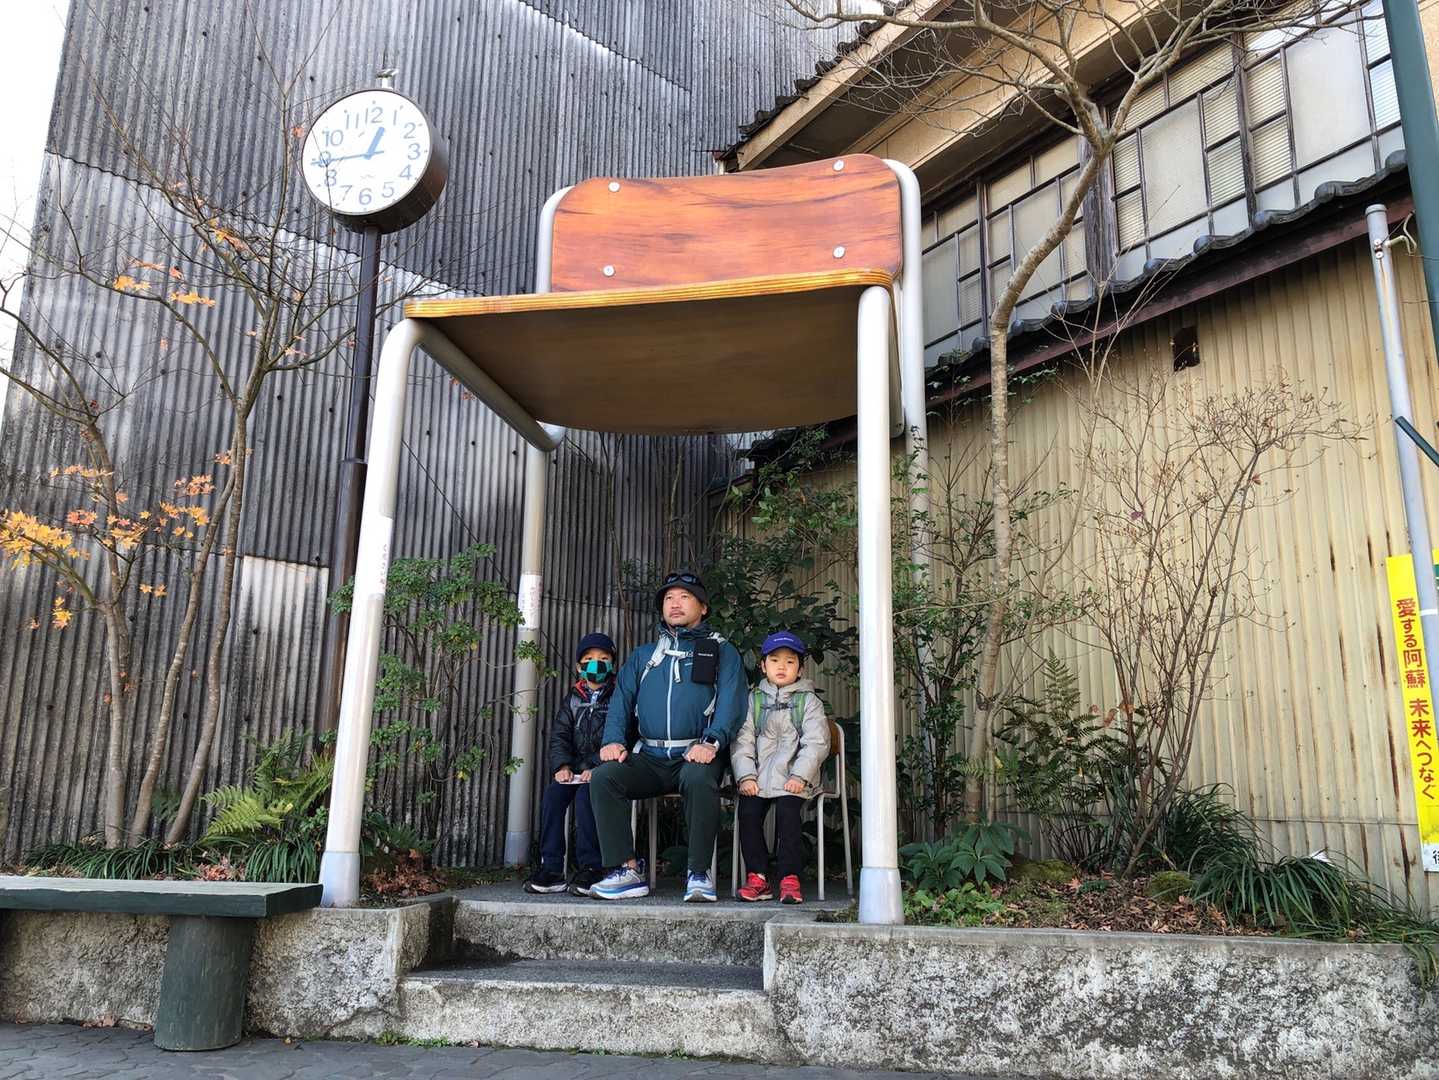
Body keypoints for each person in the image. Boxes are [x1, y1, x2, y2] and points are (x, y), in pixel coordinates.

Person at [588, 571, 746, 902]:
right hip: (650, 757)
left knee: (699, 778)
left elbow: (732, 703)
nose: (675, 603)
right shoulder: (644, 656)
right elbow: (621, 701)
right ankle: (627, 870)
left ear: (703, 607)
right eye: (669, 598)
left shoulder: (722, 651)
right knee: (605, 777)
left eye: (685, 597)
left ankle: (698, 873)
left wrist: (712, 742)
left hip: (696, 755)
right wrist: (613, 740)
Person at [732, 630, 830, 905]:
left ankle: (790, 877)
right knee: (748, 812)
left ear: (800, 668)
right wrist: (746, 776)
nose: (782, 667)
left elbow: (817, 742)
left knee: (788, 814)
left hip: (795, 777)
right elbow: (742, 740)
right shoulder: (753, 700)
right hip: (758, 777)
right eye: (774, 660)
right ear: (763, 666)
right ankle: (758, 877)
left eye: (790, 661)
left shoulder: (808, 701)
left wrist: (800, 775)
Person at [523, 631, 617, 897]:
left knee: (587, 798)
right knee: (553, 796)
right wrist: (562, 766)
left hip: (603, 769)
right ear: (579, 666)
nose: (596, 663)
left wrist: (596, 766)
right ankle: (551, 869)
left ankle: (592, 867)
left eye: (603, 658)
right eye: (589, 658)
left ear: (612, 664)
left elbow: (622, 736)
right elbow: (559, 737)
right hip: (574, 769)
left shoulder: (619, 696)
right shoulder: (573, 698)